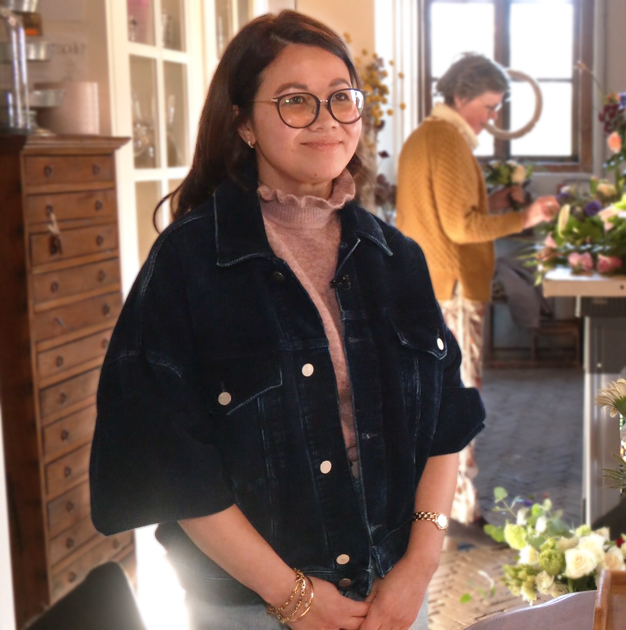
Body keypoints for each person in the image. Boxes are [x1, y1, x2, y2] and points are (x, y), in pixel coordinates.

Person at [89, 11, 480, 629]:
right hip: (250, 607)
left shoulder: (394, 257)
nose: (327, 121)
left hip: (392, 597)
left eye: (341, 99)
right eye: (296, 101)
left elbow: (445, 423)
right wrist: (294, 597)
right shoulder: (189, 265)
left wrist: (418, 568)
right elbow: (173, 464)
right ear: (243, 122)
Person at [396, 53, 557, 525]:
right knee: (460, 397)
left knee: (445, 396)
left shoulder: (430, 136)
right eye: (489, 106)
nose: (494, 117)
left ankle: (448, 503)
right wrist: (525, 217)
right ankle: (459, 507)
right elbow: (461, 227)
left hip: (438, 286)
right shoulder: (446, 140)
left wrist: (496, 201)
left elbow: (453, 212)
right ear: (461, 96)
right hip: (454, 289)